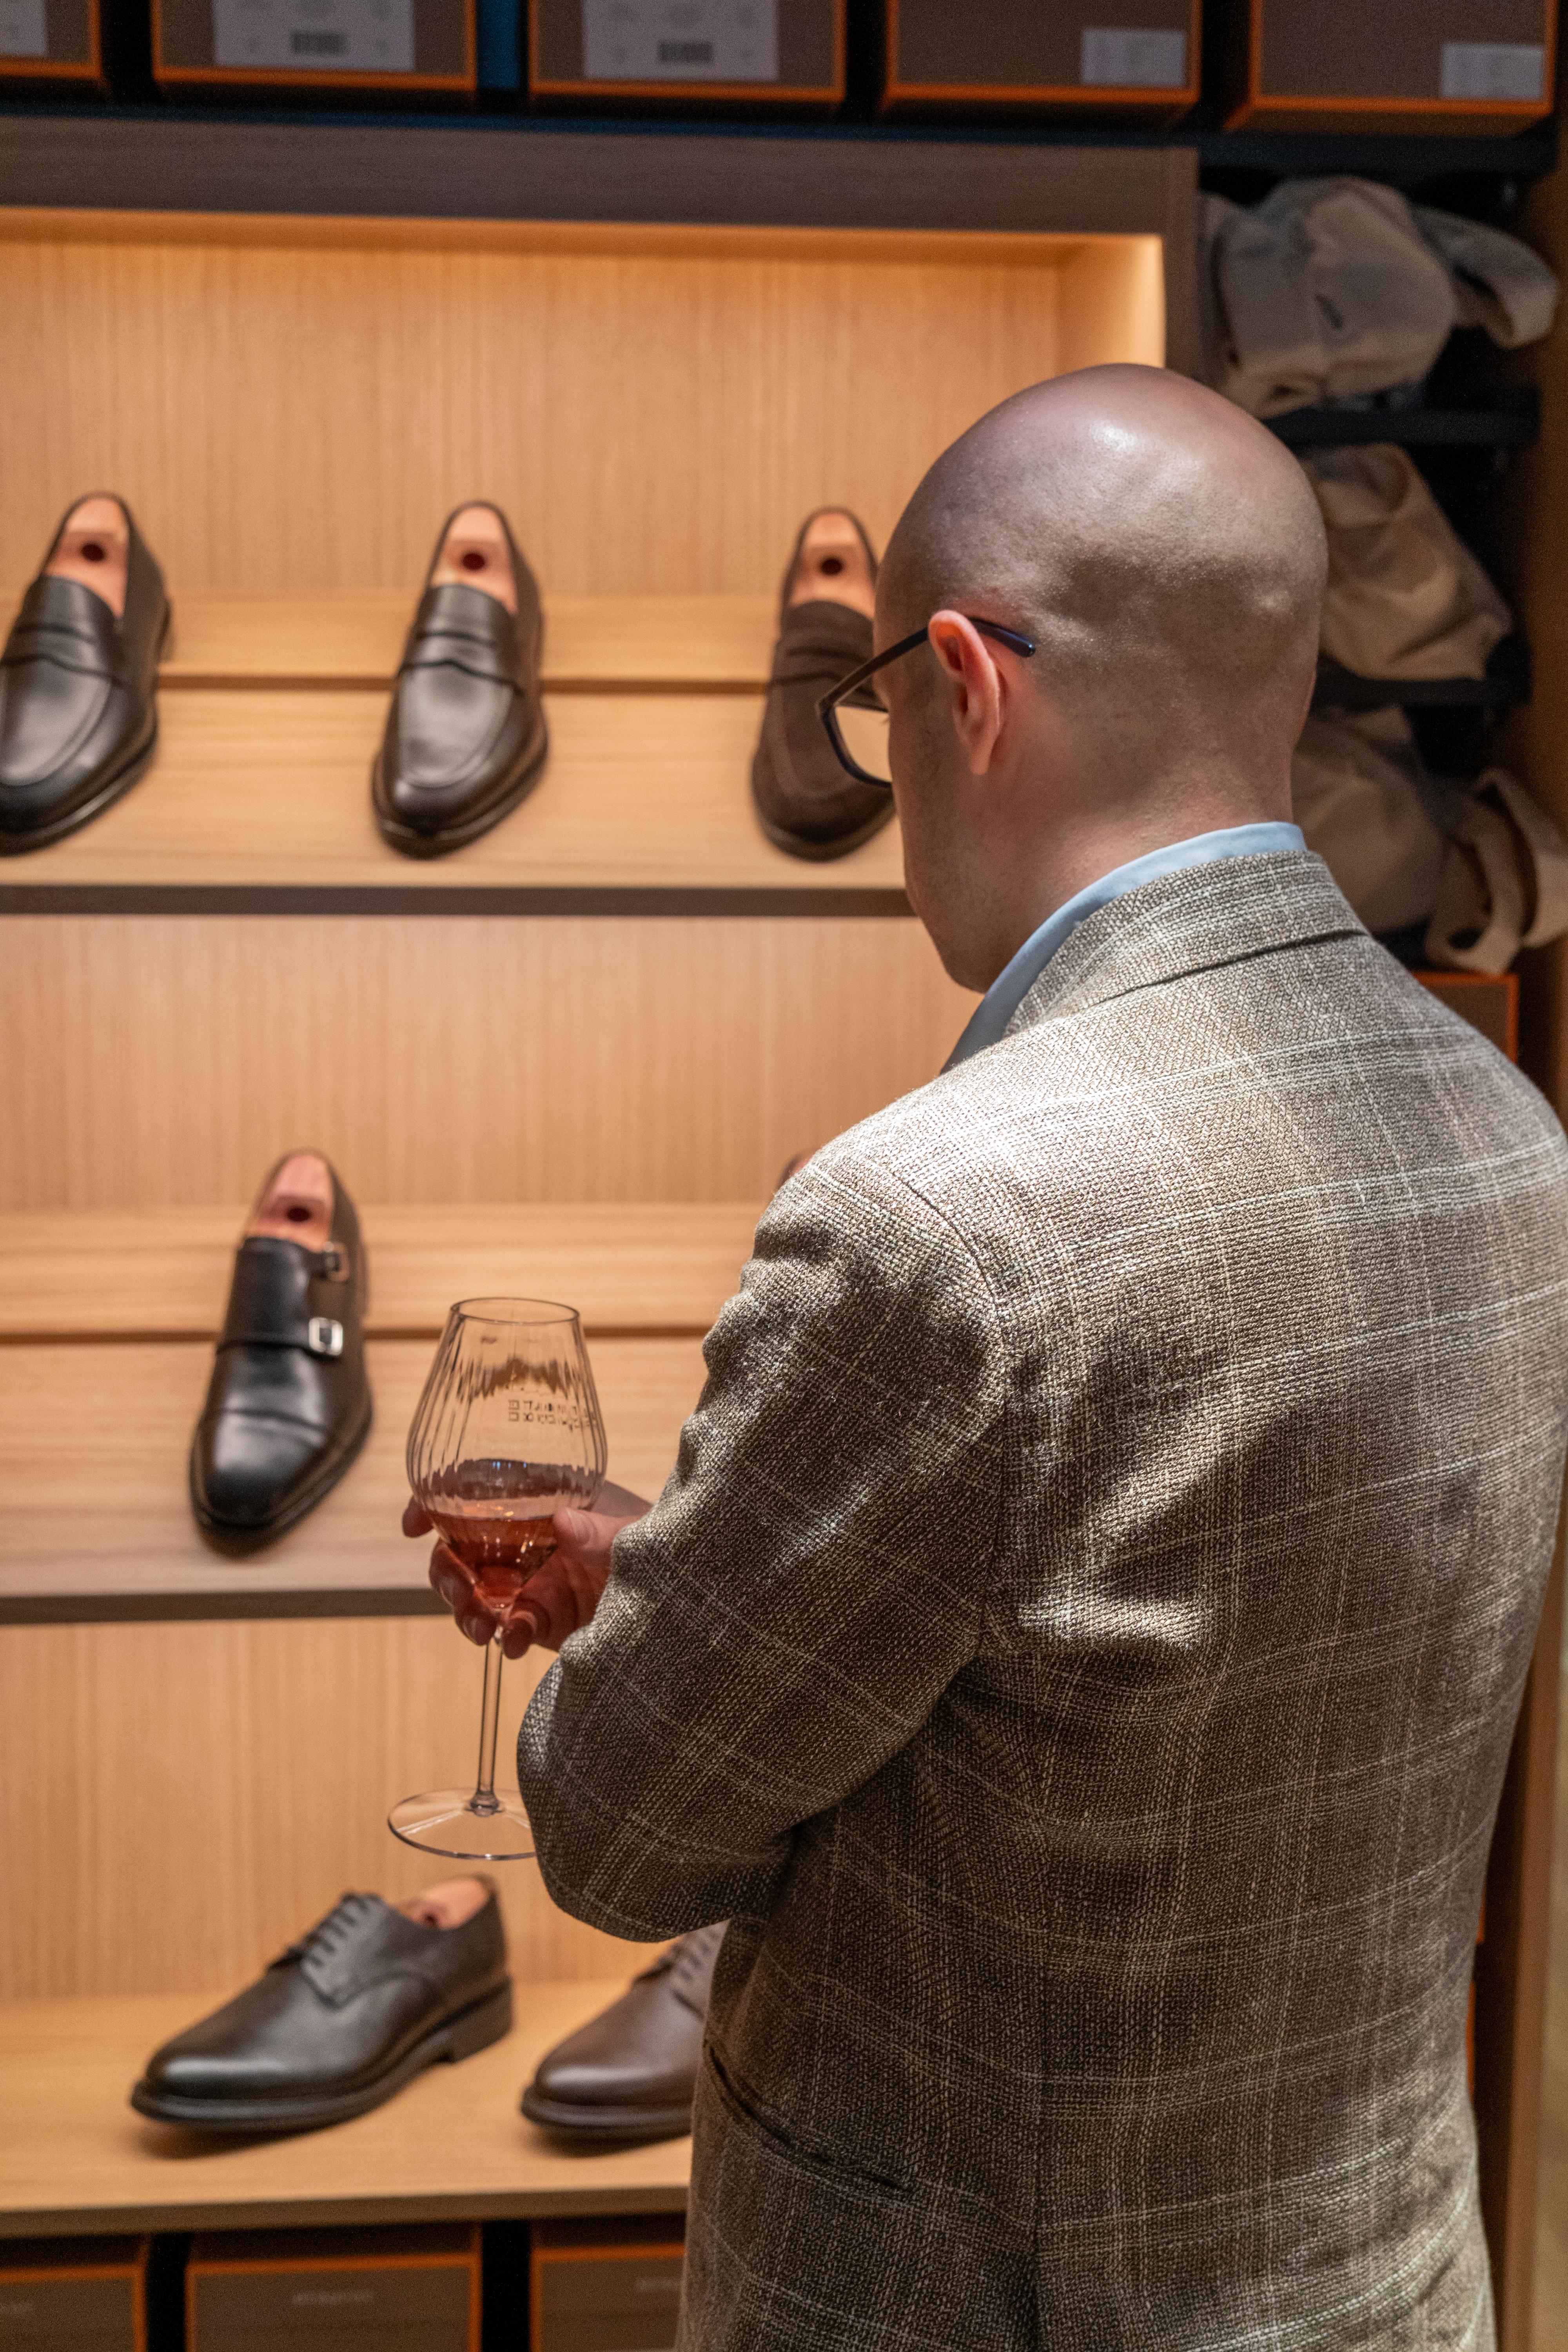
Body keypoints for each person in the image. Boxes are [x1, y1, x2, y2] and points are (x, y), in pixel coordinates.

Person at [411, 365, 1568, 2348]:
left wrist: (647, 1637)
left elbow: (619, 1832)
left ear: (964, 683)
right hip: (1376, 2292)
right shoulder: (1507, 1129)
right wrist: (702, 1574)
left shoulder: (937, 1224)